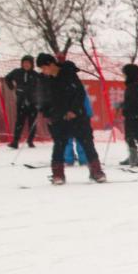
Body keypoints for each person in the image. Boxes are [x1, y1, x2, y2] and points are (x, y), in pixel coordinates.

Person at [35, 53, 106, 184]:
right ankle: (58, 174)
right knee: (59, 145)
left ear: (51, 64)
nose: (43, 71)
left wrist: (74, 110)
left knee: (87, 143)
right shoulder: (45, 80)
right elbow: (44, 99)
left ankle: (96, 171)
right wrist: (47, 113)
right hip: (58, 118)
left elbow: (79, 93)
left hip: (78, 117)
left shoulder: (69, 74)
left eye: (44, 68)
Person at [4, 55, 39, 149]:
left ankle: (30, 141)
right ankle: (15, 142)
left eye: (28, 63)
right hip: (21, 101)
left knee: (32, 122)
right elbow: (7, 78)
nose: (26, 64)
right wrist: (12, 87)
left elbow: (42, 85)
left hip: (33, 102)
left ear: (32, 64)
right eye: (24, 63)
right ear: (22, 63)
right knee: (19, 122)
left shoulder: (35, 74)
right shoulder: (17, 72)